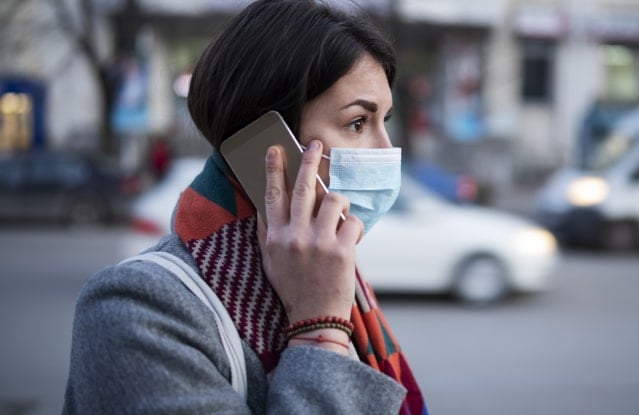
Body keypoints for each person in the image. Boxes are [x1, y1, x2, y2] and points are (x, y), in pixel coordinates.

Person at [63, 1, 427, 413]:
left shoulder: (332, 275)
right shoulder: (136, 310)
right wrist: (319, 329)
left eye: (386, 121)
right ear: (269, 145)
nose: (386, 150)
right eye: (358, 123)